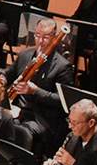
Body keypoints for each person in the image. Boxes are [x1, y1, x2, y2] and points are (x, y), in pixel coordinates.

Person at [4, 19, 75, 151]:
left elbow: (64, 101)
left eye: (46, 37)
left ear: (54, 37)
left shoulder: (62, 66)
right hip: (16, 108)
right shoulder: (25, 54)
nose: (40, 41)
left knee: (22, 131)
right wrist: (0, 80)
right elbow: (8, 75)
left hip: (41, 117)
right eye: (37, 35)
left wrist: (35, 91)